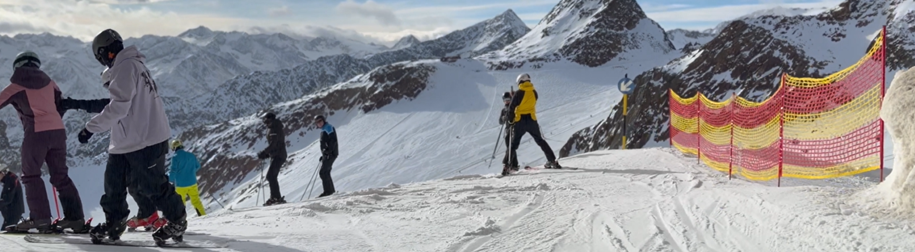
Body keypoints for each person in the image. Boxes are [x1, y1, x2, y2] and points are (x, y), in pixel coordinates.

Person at [80, 28, 186, 244]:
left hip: (145, 139)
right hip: (126, 141)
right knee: (113, 185)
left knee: (152, 185)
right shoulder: (133, 65)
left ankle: (177, 220)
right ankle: (114, 222)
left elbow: (119, 107)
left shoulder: (125, 66)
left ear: (104, 53)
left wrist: (90, 128)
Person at [0, 51, 87, 233]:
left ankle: (40, 219)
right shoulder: (50, 83)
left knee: (31, 175)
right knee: (60, 176)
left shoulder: (15, 86)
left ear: (17, 66)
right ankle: (75, 218)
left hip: (35, 134)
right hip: (58, 132)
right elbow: (60, 104)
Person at [504, 73, 561, 175]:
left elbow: (511, 109)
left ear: (520, 81)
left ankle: (507, 165)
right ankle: (552, 161)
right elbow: (528, 101)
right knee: (540, 141)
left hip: (520, 121)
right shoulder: (534, 92)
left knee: (513, 144)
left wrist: (511, 121)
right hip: (532, 120)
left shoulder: (518, 93)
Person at [168, 139, 206, 216]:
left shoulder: (175, 157)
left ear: (173, 148)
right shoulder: (191, 155)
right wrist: (190, 172)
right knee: (196, 201)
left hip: (181, 185)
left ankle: (181, 219)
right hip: (193, 182)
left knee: (181, 203)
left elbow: (173, 171)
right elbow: (198, 166)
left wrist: (170, 180)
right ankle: (203, 215)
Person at [257, 112, 287, 206]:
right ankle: (275, 197)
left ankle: (275, 198)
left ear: (270, 119)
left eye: (266, 120)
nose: (265, 123)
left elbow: (273, 144)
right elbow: (276, 144)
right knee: (272, 176)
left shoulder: (274, 128)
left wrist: (264, 152)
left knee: (271, 176)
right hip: (278, 155)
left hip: (279, 155)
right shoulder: (274, 127)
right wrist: (268, 154)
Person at [314, 115, 337, 198]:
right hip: (328, 153)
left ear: (323, 120)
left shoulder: (328, 127)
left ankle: (328, 192)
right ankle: (330, 191)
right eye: (317, 122)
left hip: (330, 153)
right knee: (326, 172)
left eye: (320, 121)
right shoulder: (324, 129)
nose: (319, 123)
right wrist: (324, 154)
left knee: (323, 172)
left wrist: (328, 151)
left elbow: (333, 140)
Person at [498, 91, 520, 172]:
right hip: (507, 129)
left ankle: (510, 164)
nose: (507, 101)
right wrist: (503, 118)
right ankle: (514, 165)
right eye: (505, 100)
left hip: (514, 128)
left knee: (511, 147)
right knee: (509, 147)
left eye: (508, 99)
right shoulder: (503, 110)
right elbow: (500, 121)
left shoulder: (514, 107)